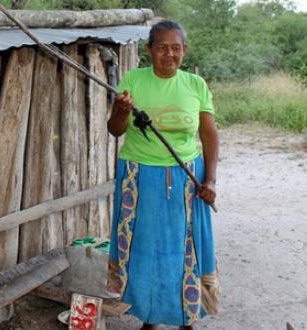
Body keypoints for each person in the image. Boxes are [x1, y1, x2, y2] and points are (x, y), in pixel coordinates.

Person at [106, 20, 220, 330]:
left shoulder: (196, 85)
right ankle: (150, 316)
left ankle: (187, 313)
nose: (168, 54)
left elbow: (209, 135)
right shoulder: (133, 79)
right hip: (139, 177)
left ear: (184, 50)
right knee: (144, 247)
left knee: (186, 248)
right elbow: (115, 129)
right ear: (149, 50)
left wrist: (209, 180)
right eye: (161, 48)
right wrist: (120, 110)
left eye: (175, 48)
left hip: (187, 179)